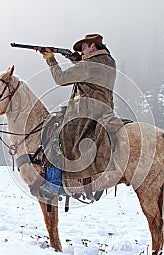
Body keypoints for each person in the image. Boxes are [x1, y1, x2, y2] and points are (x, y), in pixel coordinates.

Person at [39, 34, 116, 199]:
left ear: (93, 47)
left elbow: (60, 79)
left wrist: (50, 59)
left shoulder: (88, 65)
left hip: (85, 113)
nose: (81, 52)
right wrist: (74, 58)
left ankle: (53, 186)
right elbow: (89, 72)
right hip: (104, 111)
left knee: (56, 139)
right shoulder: (108, 61)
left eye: (83, 48)